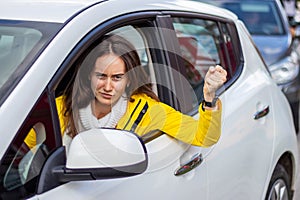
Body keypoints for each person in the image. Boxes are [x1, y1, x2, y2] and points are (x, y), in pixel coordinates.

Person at [61, 34, 227, 152]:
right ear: (89, 74)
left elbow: (204, 137)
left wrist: (209, 98)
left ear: (129, 80)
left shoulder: (149, 111)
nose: (108, 86)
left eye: (117, 77)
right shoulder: (63, 105)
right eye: (101, 76)